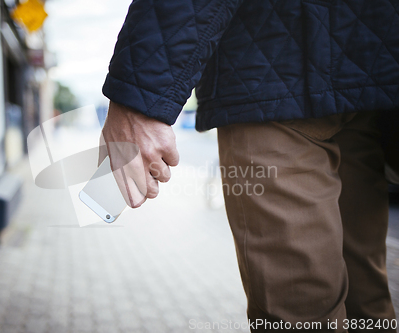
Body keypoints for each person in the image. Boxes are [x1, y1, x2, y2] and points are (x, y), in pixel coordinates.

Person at [99, 0, 399, 331]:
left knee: (311, 312)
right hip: (363, 72)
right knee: (366, 305)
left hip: (273, 72)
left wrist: (139, 98)